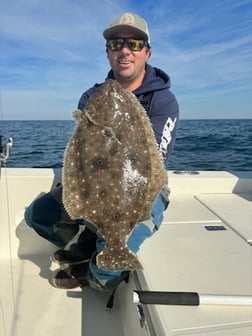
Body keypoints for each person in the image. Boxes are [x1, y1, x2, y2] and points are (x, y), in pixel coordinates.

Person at [25, 12, 179, 291]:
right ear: (107, 53)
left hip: (143, 189)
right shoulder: (92, 95)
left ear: (146, 52)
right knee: (37, 216)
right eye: (115, 44)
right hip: (96, 183)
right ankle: (85, 245)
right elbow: (81, 154)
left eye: (133, 44)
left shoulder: (162, 100)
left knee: (113, 263)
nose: (124, 50)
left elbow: (154, 162)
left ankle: (90, 274)